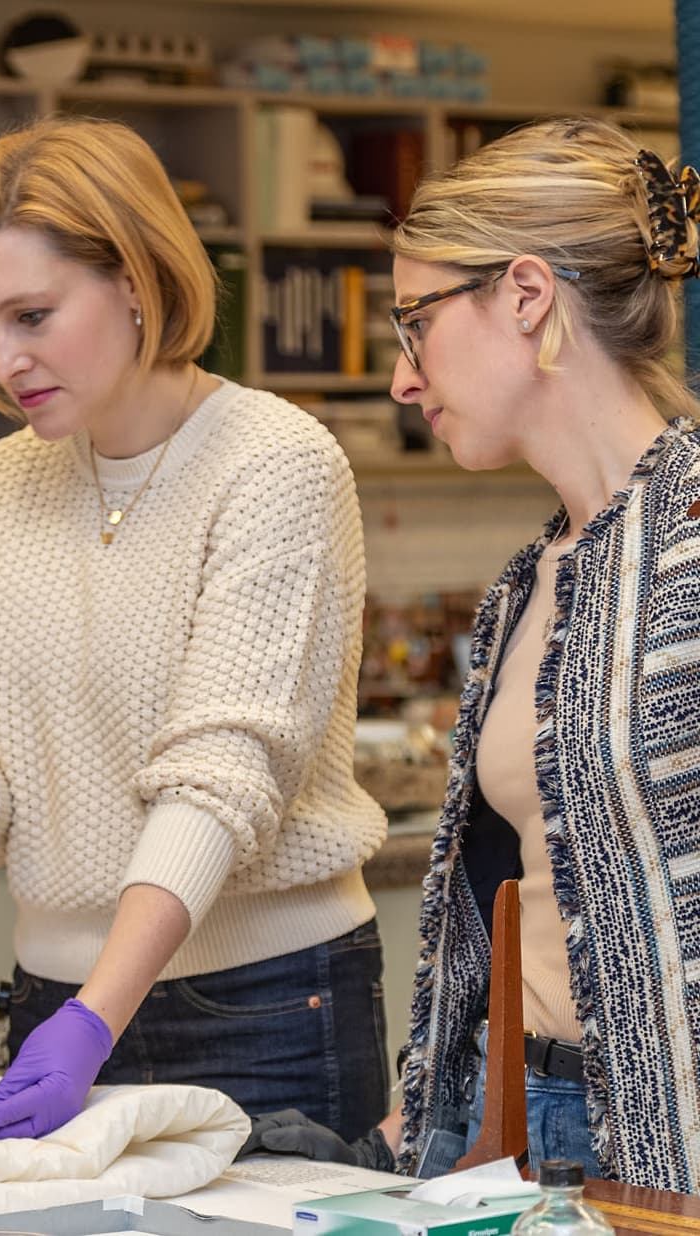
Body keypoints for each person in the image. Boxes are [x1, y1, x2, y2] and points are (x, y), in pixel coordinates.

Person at [0, 115, 392, 1142]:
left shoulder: (272, 462)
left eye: (31, 314)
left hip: (261, 1004)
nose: (6, 360)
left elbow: (220, 777)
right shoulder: (1, 483)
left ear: (136, 282)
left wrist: (92, 1021)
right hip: (54, 997)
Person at [246, 118, 700, 1193]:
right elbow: (511, 892)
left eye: (414, 323)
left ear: (526, 297)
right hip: (518, 1127)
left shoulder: (686, 544)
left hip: (662, 1155)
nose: (404, 380)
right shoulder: (532, 578)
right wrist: (428, 1118)